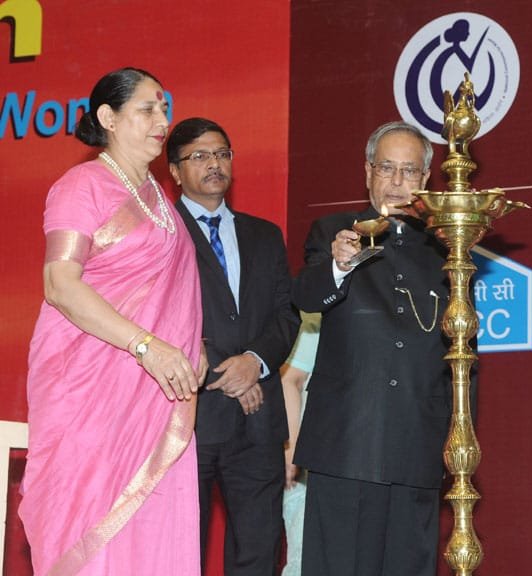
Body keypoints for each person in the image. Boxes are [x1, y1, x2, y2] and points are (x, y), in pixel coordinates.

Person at [21, 67, 205, 575]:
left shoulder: (160, 199)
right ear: (108, 117)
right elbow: (60, 284)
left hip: (155, 397)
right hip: (92, 394)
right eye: (147, 109)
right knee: (90, 525)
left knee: (152, 528)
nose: (162, 121)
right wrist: (146, 345)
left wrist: (192, 343)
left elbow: (172, 294)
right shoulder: (80, 186)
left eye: (164, 109)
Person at [292, 121, 450, 576]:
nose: (398, 182)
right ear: (368, 171)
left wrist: (459, 436)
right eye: (386, 168)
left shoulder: (445, 250)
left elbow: (462, 356)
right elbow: (306, 296)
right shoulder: (334, 232)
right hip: (347, 441)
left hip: (417, 441)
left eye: (409, 171)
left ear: (425, 179)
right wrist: (339, 266)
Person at [167, 117, 299, 575]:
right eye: (200, 156)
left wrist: (255, 362)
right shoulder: (161, 234)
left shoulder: (265, 235)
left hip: (258, 423)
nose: (214, 164)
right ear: (174, 171)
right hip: (189, 417)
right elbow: (162, 319)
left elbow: (286, 315)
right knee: (181, 552)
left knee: (259, 554)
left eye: (222, 154)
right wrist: (233, 373)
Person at [280, 311, 321, 576]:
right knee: (304, 554)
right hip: (309, 459)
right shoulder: (316, 319)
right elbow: (290, 379)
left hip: (357, 456)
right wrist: (291, 450)